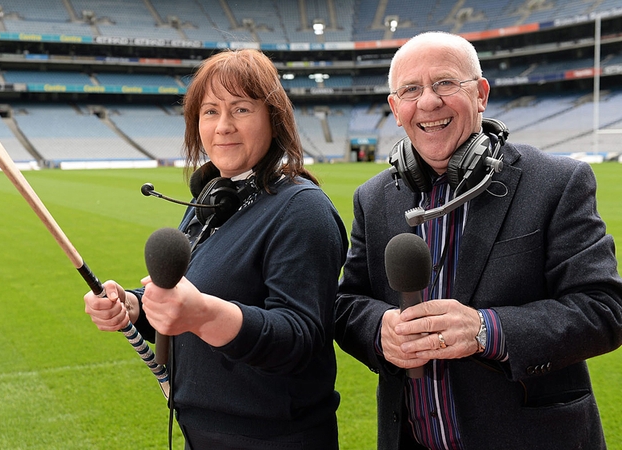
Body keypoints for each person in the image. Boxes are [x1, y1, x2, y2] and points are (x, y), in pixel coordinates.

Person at [335, 31, 622, 450]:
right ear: (396, 109)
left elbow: (604, 309)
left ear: (482, 94)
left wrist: (487, 329)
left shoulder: (557, 183)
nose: (429, 102)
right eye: (411, 90)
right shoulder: (374, 198)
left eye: (446, 83)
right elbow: (348, 303)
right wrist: (379, 330)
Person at [84, 48, 348, 449]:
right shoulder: (213, 201)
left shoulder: (302, 209)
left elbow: (299, 338)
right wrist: (135, 306)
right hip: (200, 433)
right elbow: (188, 295)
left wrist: (204, 314)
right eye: (210, 112)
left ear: (273, 117)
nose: (223, 126)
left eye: (240, 109)